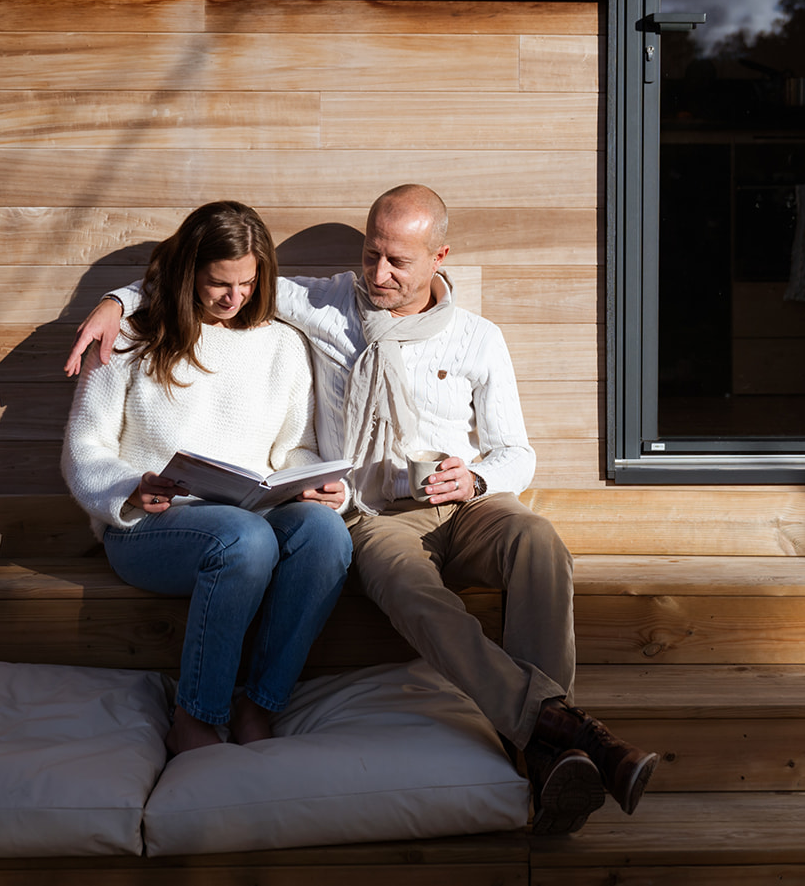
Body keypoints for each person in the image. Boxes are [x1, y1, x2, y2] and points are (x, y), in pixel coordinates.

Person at [67, 185, 657, 833]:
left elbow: (514, 451)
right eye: (371, 254)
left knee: (538, 543)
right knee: (338, 561)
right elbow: (196, 282)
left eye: (397, 261)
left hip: (464, 507)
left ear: (439, 257)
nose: (378, 274)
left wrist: (475, 476)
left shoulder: (475, 338)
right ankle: (560, 733)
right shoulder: (321, 305)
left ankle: (549, 746)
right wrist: (117, 299)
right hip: (369, 516)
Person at [61, 201, 352, 758]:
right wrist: (129, 487)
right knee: (245, 539)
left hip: (250, 516)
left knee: (325, 534)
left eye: (248, 283)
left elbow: (295, 447)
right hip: (150, 525)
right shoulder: (130, 335)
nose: (233, 297)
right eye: (219, 282)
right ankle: (195, 715)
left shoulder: (283, 344)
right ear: (189, 270)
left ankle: (259, 704)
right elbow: (84, 448)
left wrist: (312, 483)